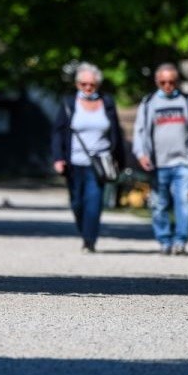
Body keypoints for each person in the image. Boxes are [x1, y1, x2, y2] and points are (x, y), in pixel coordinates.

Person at [132, 62, 188, 255]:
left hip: (183, 161)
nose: (168, 86)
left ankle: (180, 240)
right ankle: (164, 239)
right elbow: (139, 131)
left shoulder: (187, 101)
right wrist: (141, 153)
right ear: (157, 82)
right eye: (163, 82)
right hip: (158, 163)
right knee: (159, 204)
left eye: (171, 82)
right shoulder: (149, 102)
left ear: (177, 81)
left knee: (183, 202)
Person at [50, 62, 127, 253]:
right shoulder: (69, 104)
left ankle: (89, 240)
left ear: (98, 85)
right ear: (77, 84)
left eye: (91, 85)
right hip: (74, 162)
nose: (87, 88)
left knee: (94, 201)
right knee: (77, 202)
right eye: (83, 84)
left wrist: (119, 159)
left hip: (100, 162)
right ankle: (85, 231)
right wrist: (58, 158)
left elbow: (116, 132)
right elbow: (58, 133)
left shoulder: (107, 103)